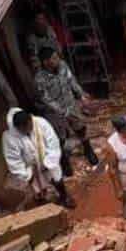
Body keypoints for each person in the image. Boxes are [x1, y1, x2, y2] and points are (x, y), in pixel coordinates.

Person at [35, 47, 100, 175]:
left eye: (57, 57)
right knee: (59, 138)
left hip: (71, 104)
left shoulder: (63, 66)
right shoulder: (39, 79)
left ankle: (88, 149)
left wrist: (81, 94)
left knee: (80, 128)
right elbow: (46, 99)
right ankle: (64, 162)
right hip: (55, 113)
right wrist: (63, 112)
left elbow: (72, 81)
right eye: (54, 58)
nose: (57, 60)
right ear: (45, 62)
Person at [0, 108, 74, 214]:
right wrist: (26, 174)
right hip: (31, 167)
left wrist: (50, 162)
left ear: (30, 120)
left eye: (29, 127)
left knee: (56, 177)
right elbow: (13, 159)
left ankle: (64, 196)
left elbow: (53, 142)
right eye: (24, 130)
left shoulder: (41, 123)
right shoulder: (9, 137)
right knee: (37, 188)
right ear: (18, 128)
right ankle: (45, 207)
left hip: (47, 158)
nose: (28, 130)